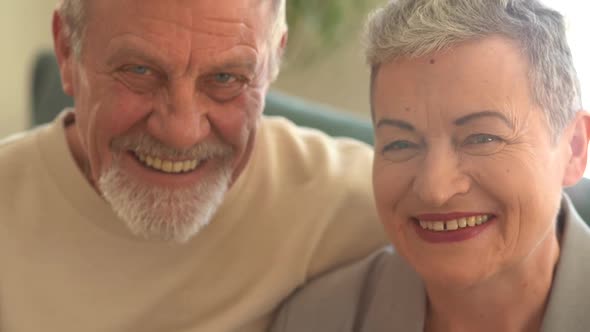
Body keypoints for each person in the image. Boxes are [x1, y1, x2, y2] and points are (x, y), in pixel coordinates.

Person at [0, 0, 388, 331]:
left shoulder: (364, 201)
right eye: (139, 71)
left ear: (273, 62)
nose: (182, 131)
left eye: (225, 78)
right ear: (68, 50)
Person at [271, 0, 590, 331]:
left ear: (574, 148)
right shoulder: (315, 321)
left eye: (481, 138)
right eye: (401, 144)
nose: (435, 189)